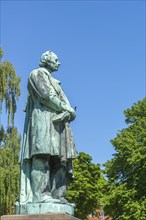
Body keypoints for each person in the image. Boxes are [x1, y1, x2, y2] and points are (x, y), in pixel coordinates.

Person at [20, 51, 77, 204]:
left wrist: (70, 112)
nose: (59, 63)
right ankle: (41, 195)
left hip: (59, 124)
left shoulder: (56, 81)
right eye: (56, 60)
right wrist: (67, 108)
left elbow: (63, 102)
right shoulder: (36, 74)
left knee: (59, 161)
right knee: (42, 157)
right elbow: (45, 96)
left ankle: (58, 195)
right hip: (43, 121)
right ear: (47, 60)